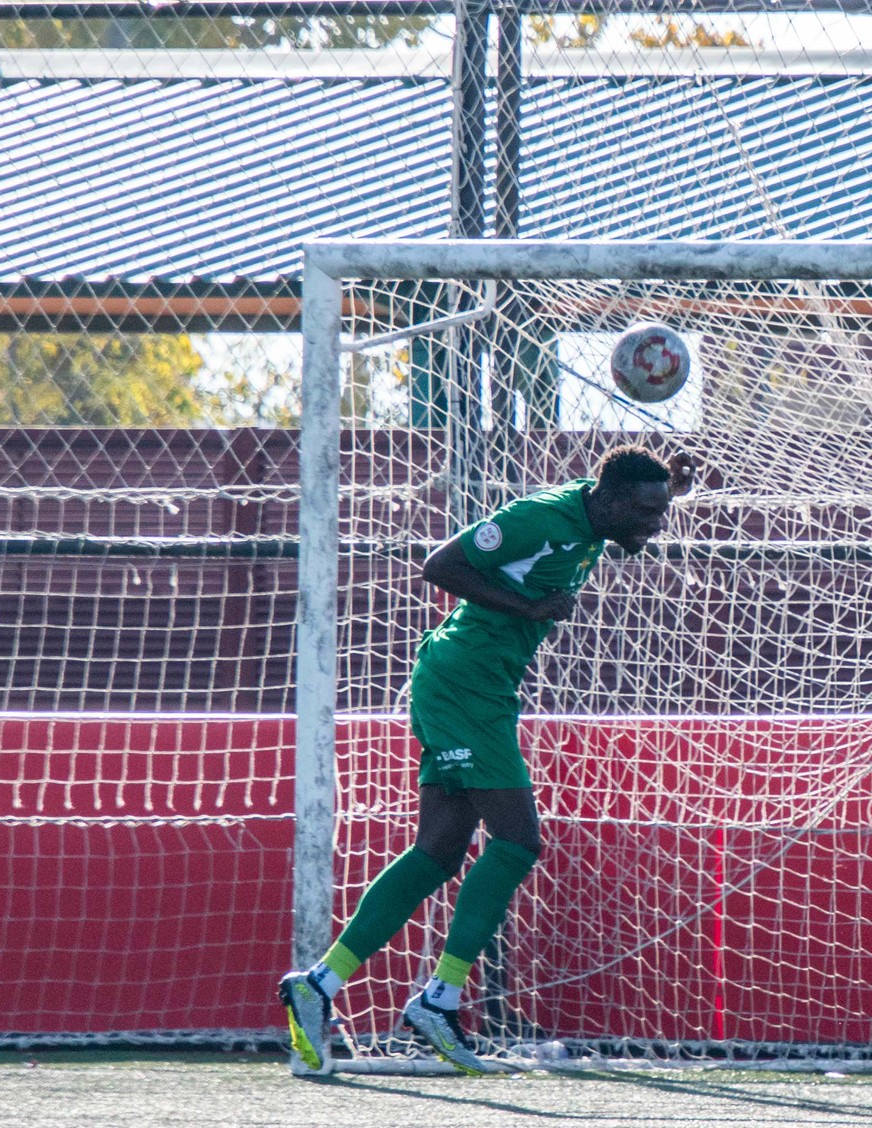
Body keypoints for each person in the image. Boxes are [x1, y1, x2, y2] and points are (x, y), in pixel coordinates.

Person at [279, 446, 696, 1076]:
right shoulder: (537, 518)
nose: (655, 525)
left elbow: (626, 517)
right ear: (610, 501)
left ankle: (319, 984)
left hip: (483, 684)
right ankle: (440, 999)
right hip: (464, 683)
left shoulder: (600, 510)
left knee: (440, 852)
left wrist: (670, 491)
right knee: (517, 841)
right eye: (646, 513)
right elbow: (439, 564)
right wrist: (527, 608)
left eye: (658, 512)